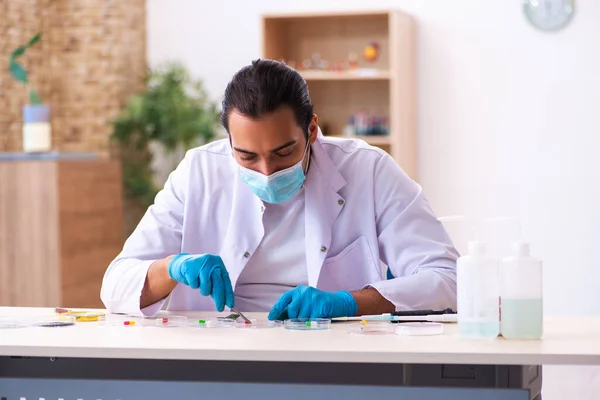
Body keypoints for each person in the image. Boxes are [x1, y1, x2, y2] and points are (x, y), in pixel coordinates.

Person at [100, 59, 458, 320]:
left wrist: (349, 302)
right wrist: (172, 267)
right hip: (212, 357)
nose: (267, 172)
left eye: (283, 152)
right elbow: (115, 285)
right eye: (247, 156)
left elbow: (448, 280)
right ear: (229, 140)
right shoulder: (199, 172)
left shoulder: (370, 170)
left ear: (312, 130)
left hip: (335, 354)